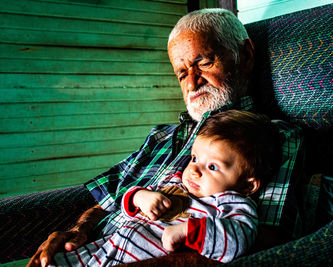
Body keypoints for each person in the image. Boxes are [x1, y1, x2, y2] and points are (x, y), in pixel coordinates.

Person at [28, 8, 301, 267]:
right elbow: (109, 199)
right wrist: (78, 230)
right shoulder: (160, 137)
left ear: (246, 54)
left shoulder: (270, 137)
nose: (193, 83)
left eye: (203, 63)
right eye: (182, 73)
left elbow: (262, 241)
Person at [47, 110, 282, 265]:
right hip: (104, 248)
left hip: (139, 259)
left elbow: (238, 239)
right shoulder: (174, 181)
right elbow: (125, 203)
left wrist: (188, 231)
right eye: (194, 159)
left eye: (212, 166)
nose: (195, 170)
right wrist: (140, 196)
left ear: (248, 184)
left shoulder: (233, 204)